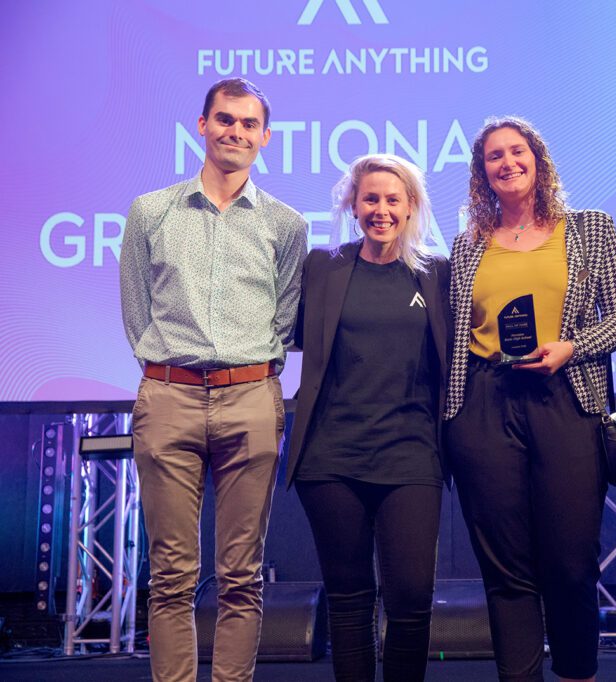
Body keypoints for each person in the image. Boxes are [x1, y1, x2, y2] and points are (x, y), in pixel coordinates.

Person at [120, 78, 307, 682]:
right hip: (168, 395)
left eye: (249, 124)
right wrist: (172, 369)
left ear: (265, 137)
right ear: (201, 125)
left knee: (241, 573)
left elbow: (285, 316)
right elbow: (136, 310)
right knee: (171, 572)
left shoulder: (286, 224)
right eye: (225, 120)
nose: (236, 132)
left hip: (252, 397)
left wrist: (247, 372)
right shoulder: (152, 211)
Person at [444, 116, 616, 682]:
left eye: (516, 151)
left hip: (565, 398)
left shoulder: (591, 229)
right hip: (485, 401)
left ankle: (577, 673)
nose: (507, 162)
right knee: (505, 568)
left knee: (572, 564)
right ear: (483, 174)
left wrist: (573, 347)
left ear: (538, 158)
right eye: (493, 157)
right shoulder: (467, 244)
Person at [285, 154, 450, 682]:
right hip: (331, 458)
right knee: (350, 603)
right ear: (353, 205)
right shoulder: (322, 267)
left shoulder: (438, 276)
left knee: (411, 600)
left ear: (412, 206)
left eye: (392, 200)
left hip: (412, 456)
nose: (381, 210)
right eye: (370, 199)